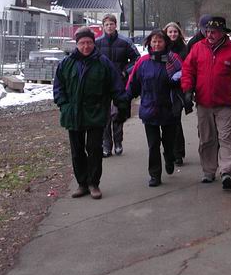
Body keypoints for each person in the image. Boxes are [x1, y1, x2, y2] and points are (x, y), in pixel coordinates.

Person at [53, 27, 130, 200]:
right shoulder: (67, 63)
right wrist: (64, 105)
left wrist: (122, 106)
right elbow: (58, 87)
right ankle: (82, 183)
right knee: (77, 150)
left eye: (89, 42)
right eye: (82, 43)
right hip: (73, 114)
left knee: (95, 149)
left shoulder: (103, 63)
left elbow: (116, 86)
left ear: (94, 43)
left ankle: (94, 183)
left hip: (96, 112)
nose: (86, 46)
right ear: (77, 44)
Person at [181, 16, 231, 190]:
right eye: (207, 31)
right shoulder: (197, 48)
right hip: (204, 102)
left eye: (213, 32)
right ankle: (208, 170)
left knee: (225, 138)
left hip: (225, 103)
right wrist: (187, 90)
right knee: (207, 138)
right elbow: (188, 69)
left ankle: (226, 171)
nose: (209, 35)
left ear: (222, 32)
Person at [126, 29, 184, 187]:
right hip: (149, 109)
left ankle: (169, 158)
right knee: (153, 145)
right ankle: (155, 174)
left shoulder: (174, 60)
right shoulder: (143, 62)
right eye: (154, 41)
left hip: (169, 109)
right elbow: (134, 83)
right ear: (149, 43)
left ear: (165, 43)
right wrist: (125, 98)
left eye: (160, 41)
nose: (157, 44)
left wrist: (177, 83)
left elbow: (184, 79)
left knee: (169, 142)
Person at [95, 14, 140, 157]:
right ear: (103, 26)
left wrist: (126, 71)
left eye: (111, 24)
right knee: (104, 115)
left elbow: (137, 59)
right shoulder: (97, 43)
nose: (109, 27)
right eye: (106, 24)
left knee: (118, 114)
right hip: (102, 84)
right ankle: (106, 145)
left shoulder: (125, 42)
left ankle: (118, 142)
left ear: (116, 25)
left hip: (120, 83)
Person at [164, 21, 188, 166]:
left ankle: (178, 153)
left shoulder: (184, 49)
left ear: (179, 33)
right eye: (170, 32)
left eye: (175, 32)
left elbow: (188, 68)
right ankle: (170, 151)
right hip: (164, 90)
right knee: (167, 122)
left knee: (176, 120)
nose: (173, 34)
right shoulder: (161, 47)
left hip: (178, 90)